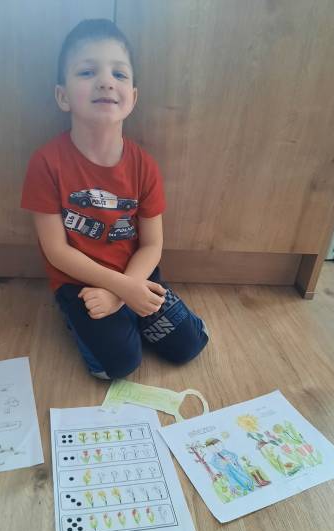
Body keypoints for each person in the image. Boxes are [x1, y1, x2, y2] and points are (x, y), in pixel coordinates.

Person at [21, 19, 209, 379]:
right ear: (63, 96)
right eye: (87, 72)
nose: (106, 81)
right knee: (118, 366)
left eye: (119, 74)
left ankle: (130, 316)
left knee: (190, 345)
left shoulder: (144, 165)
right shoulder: (45, 163)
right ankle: (85, 318)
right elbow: (56, 252)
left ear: (132, 98)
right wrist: (122, 291)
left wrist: (122, 293)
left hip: (135, 271)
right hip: (79, 280)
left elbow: (152, 244)